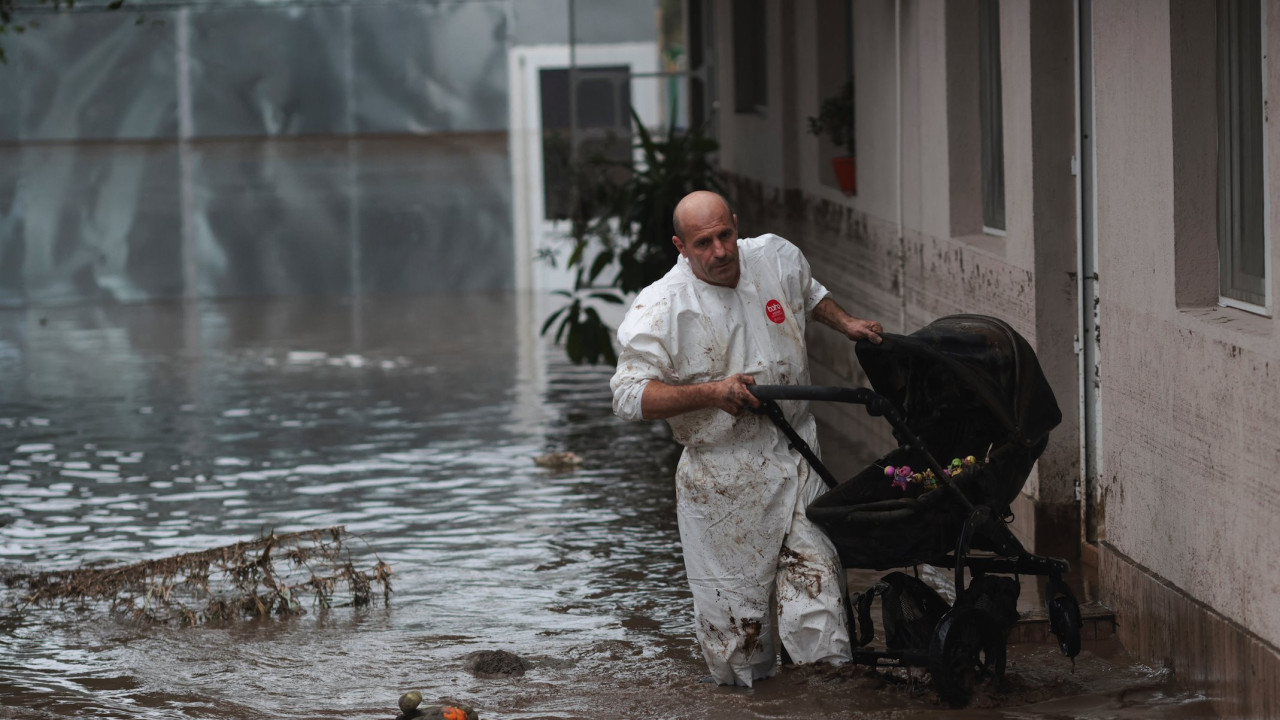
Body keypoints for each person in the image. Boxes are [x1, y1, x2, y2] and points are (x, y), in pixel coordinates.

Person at [609, 190, 884, 687]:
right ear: (680, 246)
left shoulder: (775, 256)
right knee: (740, 638)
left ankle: (827, 696)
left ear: (736, 225)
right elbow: (629, 397)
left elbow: (809, 291)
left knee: (817, 600)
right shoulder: (661, 306)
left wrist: (847, 324)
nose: (719, 251)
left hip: (796, 451)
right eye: (703, 243)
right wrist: (712, 393)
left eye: (725, 235)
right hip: (722, 478)